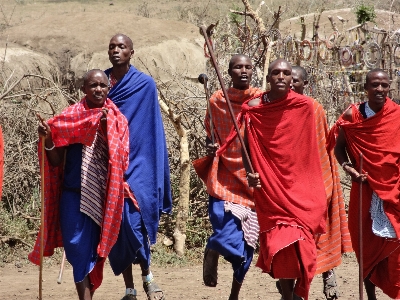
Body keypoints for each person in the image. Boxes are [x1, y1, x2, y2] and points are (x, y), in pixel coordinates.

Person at [218, 58, 327, 300]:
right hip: (270, 188)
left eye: (285, 73)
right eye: (275, 73)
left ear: (292, 79)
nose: (280, 76)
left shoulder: (305, 106)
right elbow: (246, 146)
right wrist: (250, 173)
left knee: (303, 247)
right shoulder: (254, 108)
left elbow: (309, 150)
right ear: (267, 78)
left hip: (302, 188)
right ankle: (288, 296)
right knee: (279, 244)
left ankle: (296, 292)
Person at [28, 69, 129, 300]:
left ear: (109, 88)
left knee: (94, 253)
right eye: (93, 85)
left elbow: (123, 159)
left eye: (103, 85)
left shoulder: (117, 121)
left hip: (104, 197)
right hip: (73, 197)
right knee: (76, 250)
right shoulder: (70, 118)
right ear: (83, 89)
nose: (98, 90)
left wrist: (103, 127)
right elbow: (55, 161)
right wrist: (48, 139)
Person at [104, 34, 172, 300]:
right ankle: (129, 288)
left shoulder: (144, 84)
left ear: (132, 52)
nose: (116, 50)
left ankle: (148, 277)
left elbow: (149, 128)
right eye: (112, 46)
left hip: (139, 162)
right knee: (117, 224)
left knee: (135, 220)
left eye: (122, 46)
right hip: (110, 163)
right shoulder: (101, 83)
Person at [193, 54, 261, 300]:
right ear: (229, 71)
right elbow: (211, 134)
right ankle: (214, 247)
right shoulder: (217, 100)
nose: (243, 71)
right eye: (237, 67)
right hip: (223, 177)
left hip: (253, 178)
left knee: (247, 242)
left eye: (248, 67)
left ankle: (234, 294)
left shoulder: (260, 100)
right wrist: (211, 145)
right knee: (224, 227)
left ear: (253, 71)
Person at [328, 69, 400, 300]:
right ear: (365, 87)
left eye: (384, 85)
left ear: (389, 87)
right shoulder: (352, 115)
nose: (380, 89)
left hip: (394, 189)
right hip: (365, 189)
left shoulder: (398, 115)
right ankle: (370, 297)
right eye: (375, 85)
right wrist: (348, 168)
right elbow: (338, 148)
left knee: (396, 243)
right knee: (365, 246)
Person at [285, 66, 352, 300]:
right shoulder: (275, 109)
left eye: (296, 81)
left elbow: (323, 146)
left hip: (314, 176)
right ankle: (293, 283)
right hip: (287, 182)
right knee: (292, 234)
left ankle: (327, 273)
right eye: (287, 80)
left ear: (305, 84)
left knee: (319, 228)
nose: (291, 84)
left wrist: (323, 180)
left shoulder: (314, 108)